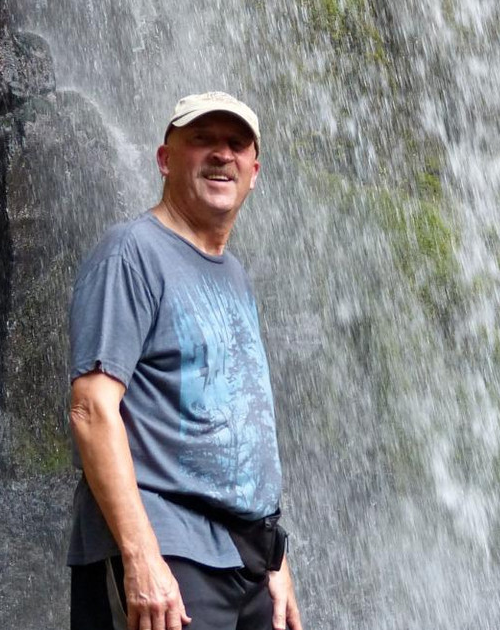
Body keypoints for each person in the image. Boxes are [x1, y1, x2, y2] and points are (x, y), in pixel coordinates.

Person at [66, 91, 302, 630]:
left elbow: (238, 422)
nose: (222, 154)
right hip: (170, 555)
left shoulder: (233, 273)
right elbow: (91, 409)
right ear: (166, 159)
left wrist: (275, 556)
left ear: (254, 171)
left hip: (245, 560)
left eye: (236, 144)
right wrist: (142, 557)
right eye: (202, 140)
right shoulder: (130, 253)